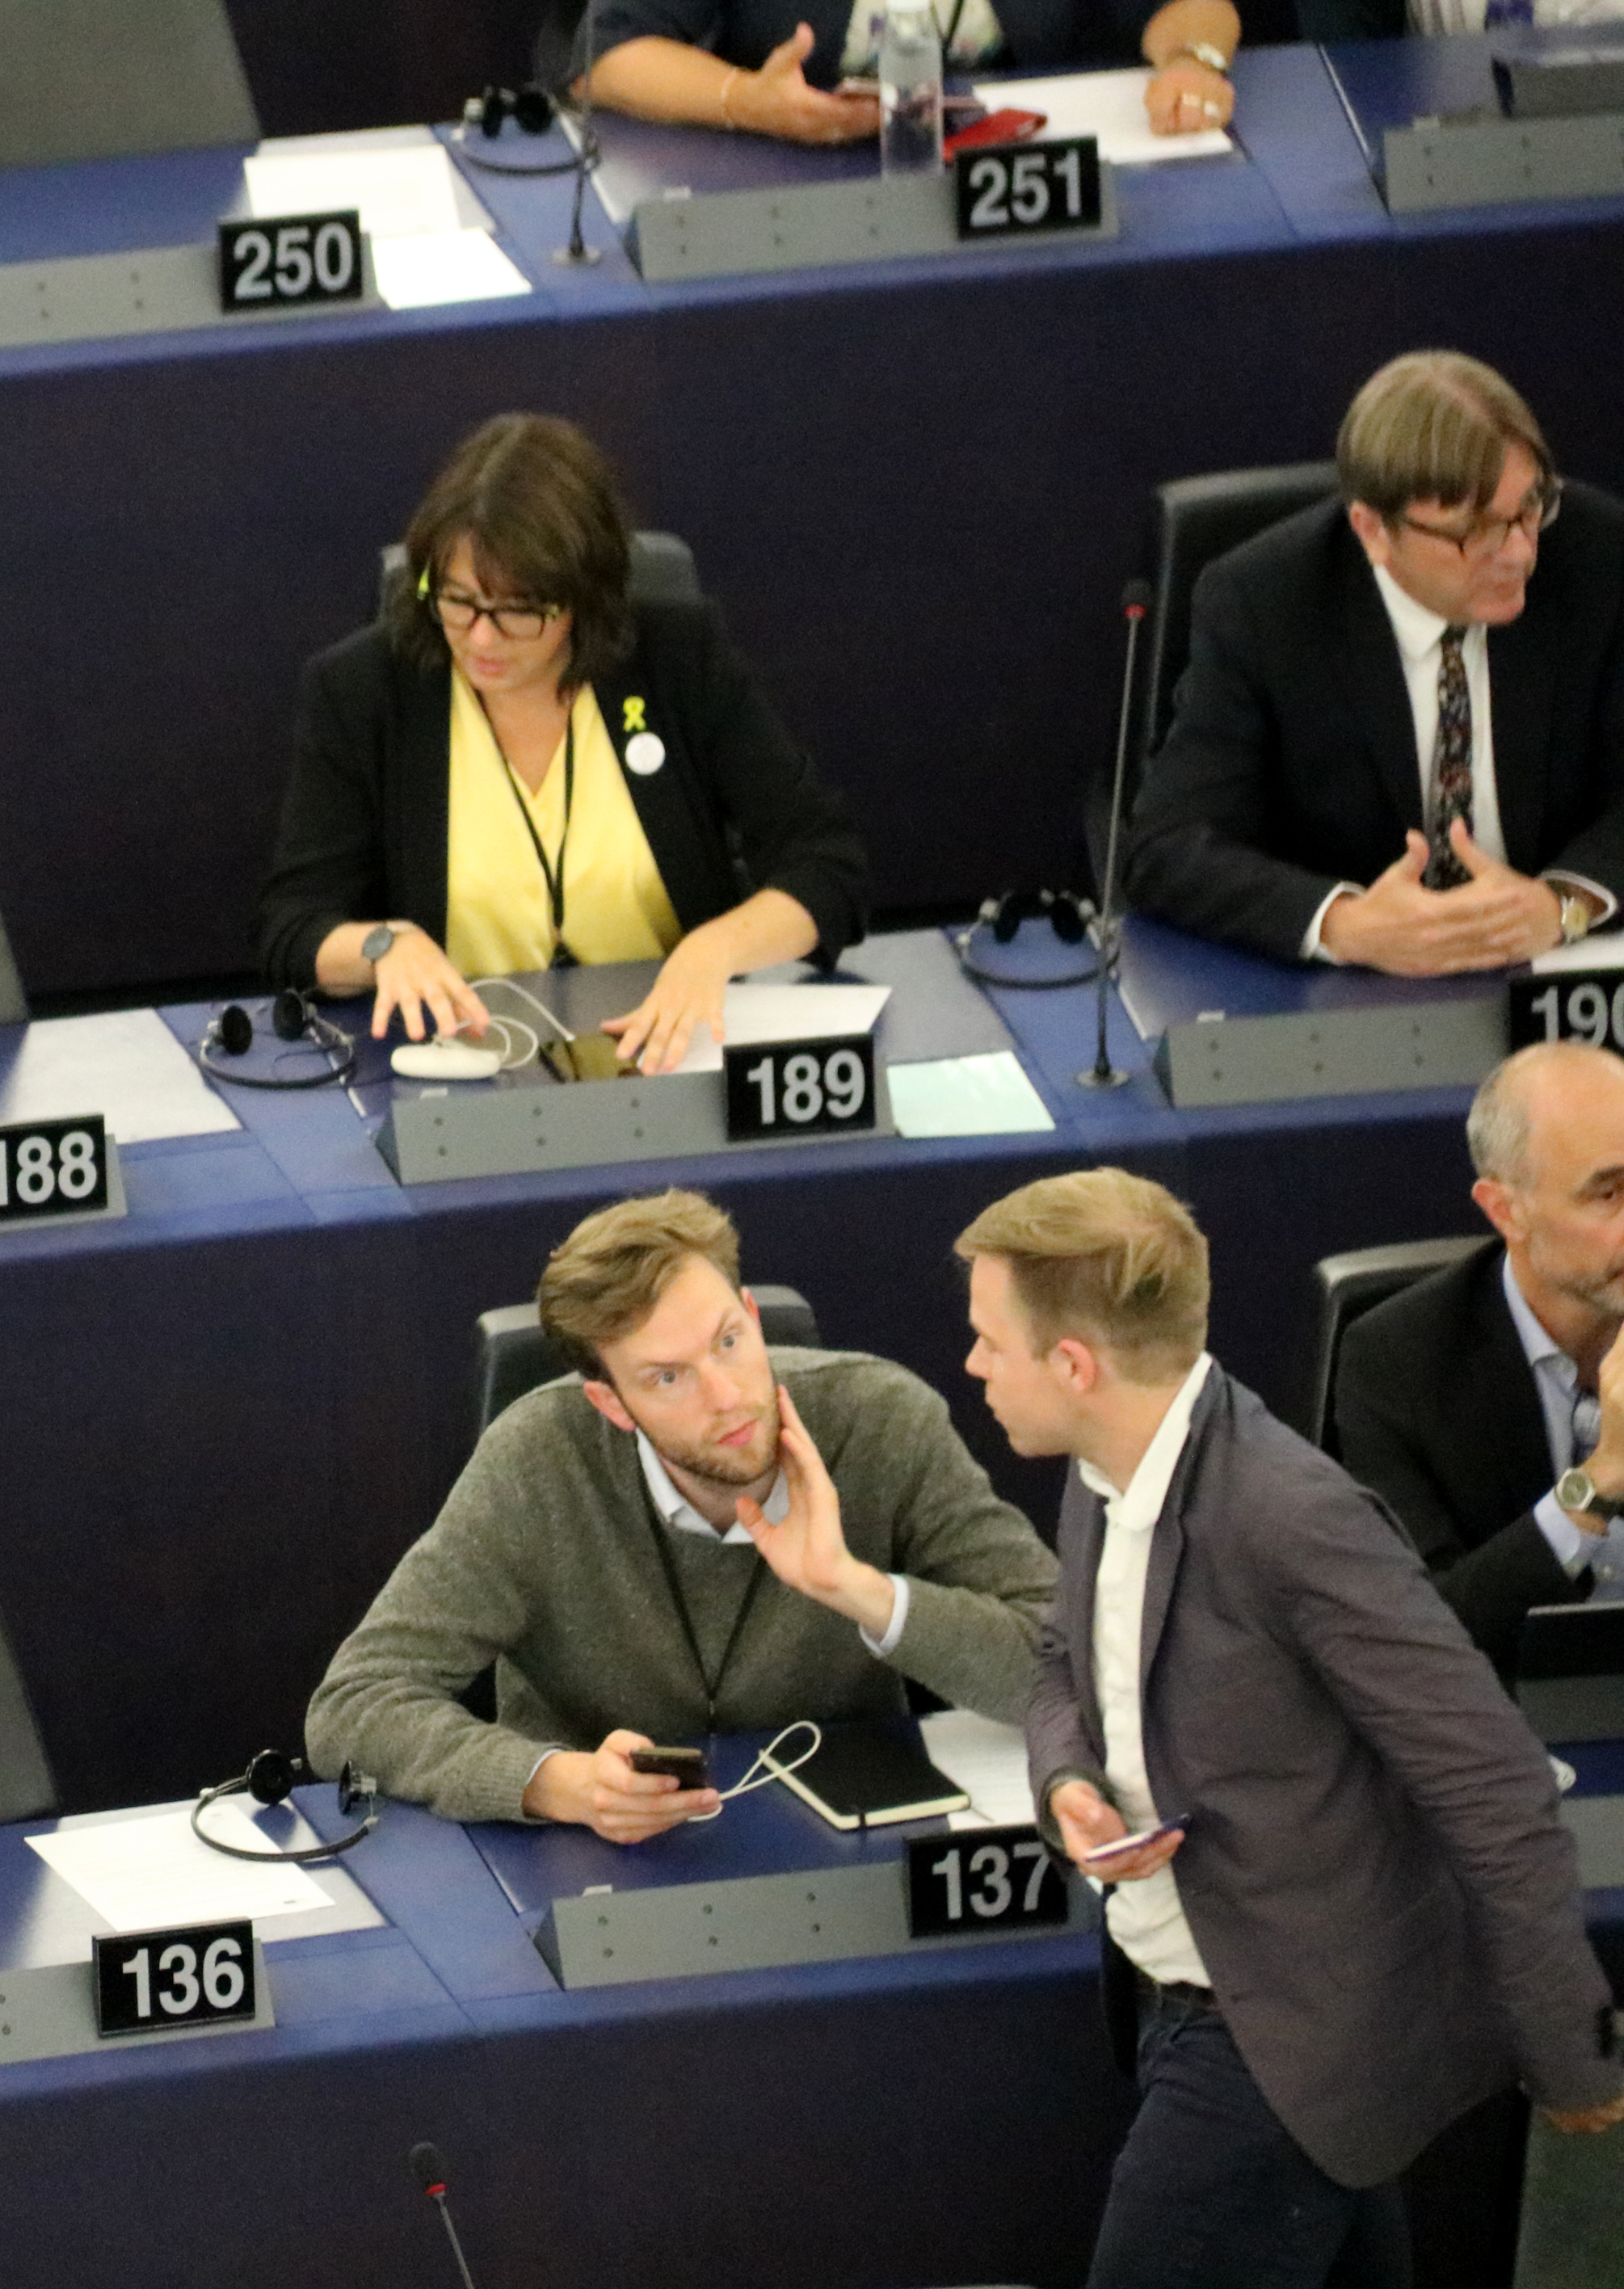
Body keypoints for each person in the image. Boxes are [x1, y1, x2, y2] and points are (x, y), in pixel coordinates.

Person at [955, 1168, 1622, 2285]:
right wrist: (1067, 1778)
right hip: (1190, 2003)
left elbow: (1493, 1780)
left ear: (1073, 1364)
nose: (972, 1364)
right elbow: (1061, 1656)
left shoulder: (1290, 1518)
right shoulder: (1097, 1468)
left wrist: (1573, 2052)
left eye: (988, 1340)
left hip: (1278, 2042)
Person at [305, 1189, 1054, 1841]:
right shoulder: (538, 1461)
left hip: (845, 1837)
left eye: (730, 1341)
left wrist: (858, 1588)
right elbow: (354, 1705)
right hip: (599, 1864)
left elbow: (1067, 1668)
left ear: (754, 1316)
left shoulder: (882, 1420)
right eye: (668, 1377)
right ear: (610, 1402)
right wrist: (549, 1780)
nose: (726, 1394)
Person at [253, 415, 867, 1076]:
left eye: (518, 611)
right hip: (464, 1073)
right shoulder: (365, 690)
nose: (481, 638)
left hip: (669, 1060)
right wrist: (379, 945)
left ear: (581, 599)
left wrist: (712, 951)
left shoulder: (678, 662)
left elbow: (828, 866)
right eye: (458, 601)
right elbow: (291, 924)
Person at [1125, 351, 1624, 976]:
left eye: (1530, 508)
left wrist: (1562, 904)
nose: (1521, 552)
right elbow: (1167, 846)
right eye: (1477, 531)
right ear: (1372, 530)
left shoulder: (1599, 558)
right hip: (1354, 1001)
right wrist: (1350, 924)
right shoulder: (1266, 602)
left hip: (1552, 986)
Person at [1333, 1041, 1624, 1671]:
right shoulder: (1396, 1363)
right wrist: (1598, 1481)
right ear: (1506, 1210)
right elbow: (1424, 1636)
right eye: (1609, 1195)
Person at [570, 0, 1240, 145]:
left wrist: (1193, 62)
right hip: (791, 170)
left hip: (1017, 166)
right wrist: (745, 99)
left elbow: (1190, 6)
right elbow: (611, 56)